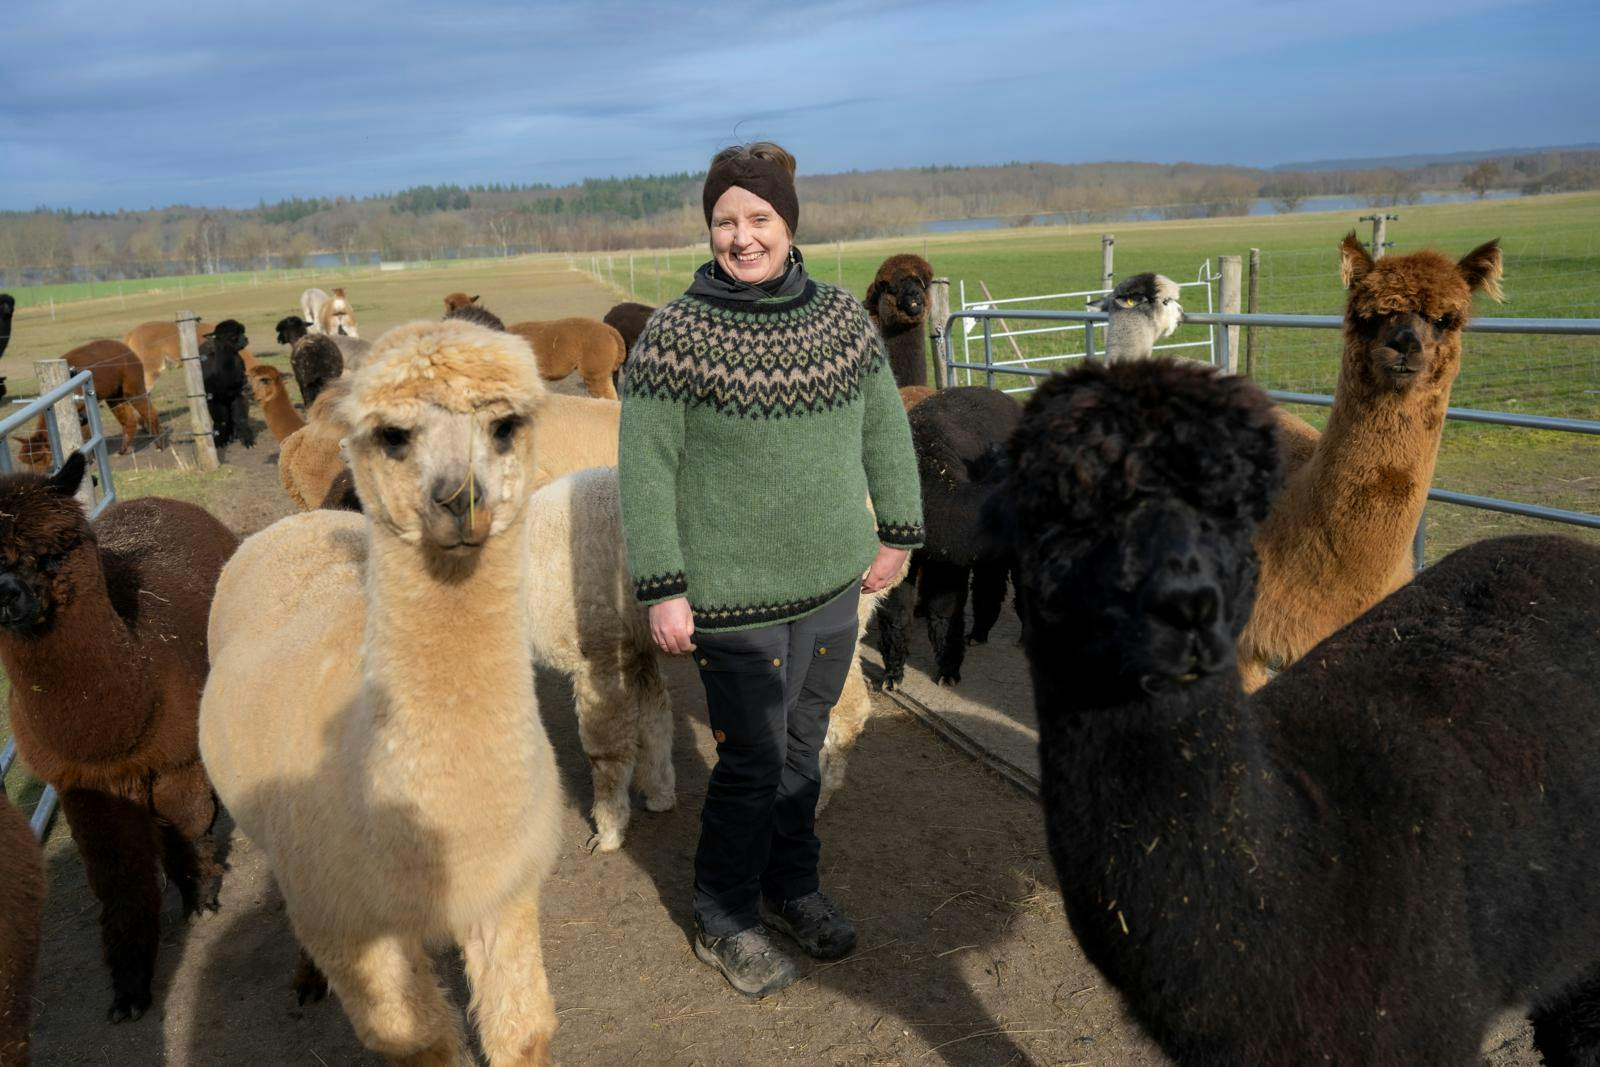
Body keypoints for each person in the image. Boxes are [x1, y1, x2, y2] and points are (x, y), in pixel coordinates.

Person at [618, 141, 924, 998]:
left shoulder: (838, 319)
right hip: (730, 598)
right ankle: (723, 913)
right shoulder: (677, 334)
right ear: (709, 229)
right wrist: (664, 585)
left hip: (832, 582)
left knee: (803, 745)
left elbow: (882, 431)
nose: (742, 237)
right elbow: (645, 466)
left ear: (789, 224)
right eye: (726, 221)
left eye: (759, 219)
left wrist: (896, 533)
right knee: (752, 757)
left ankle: (791, 886)